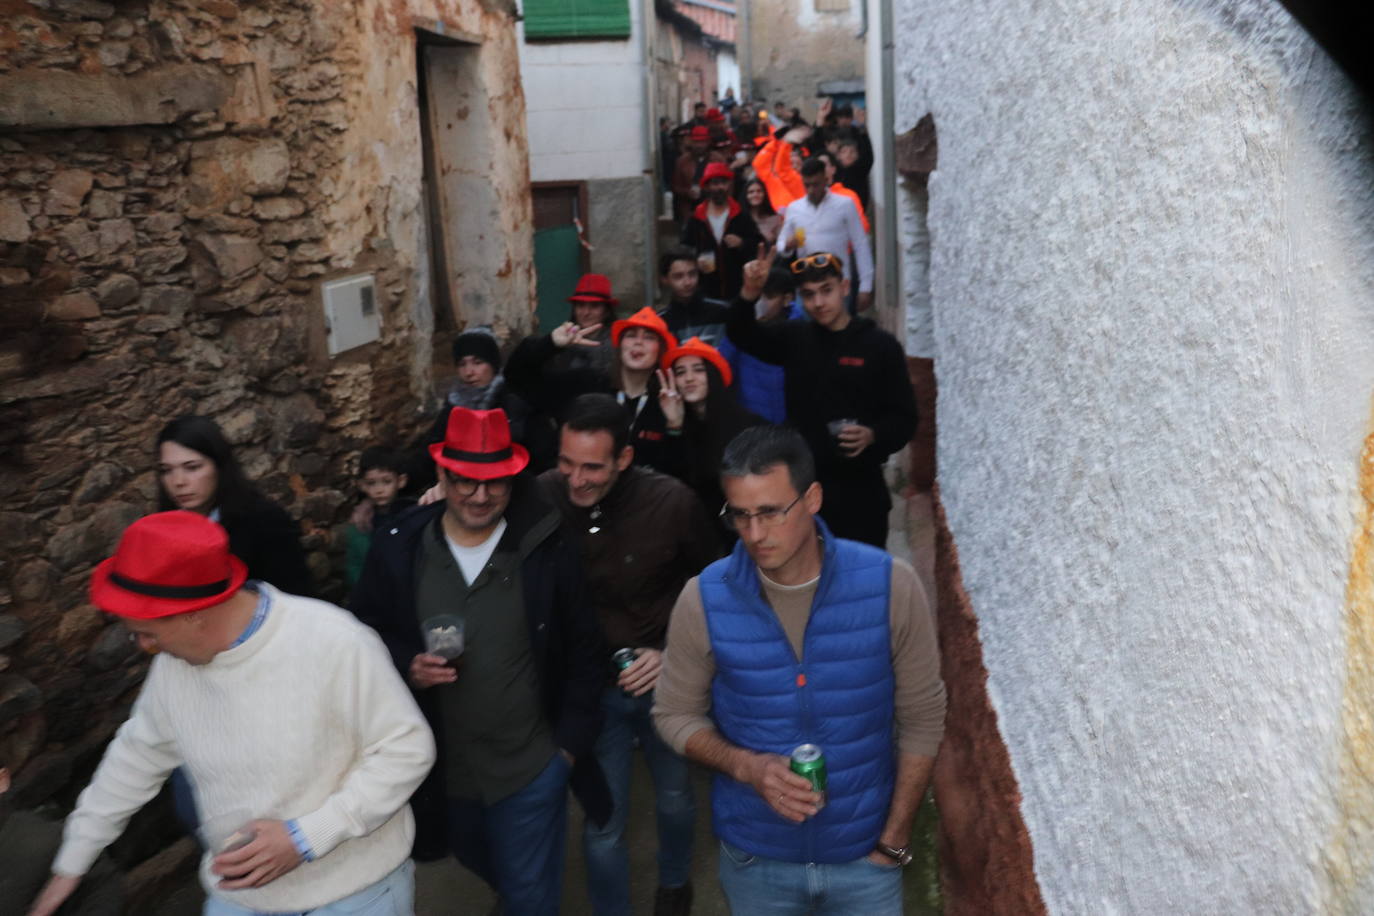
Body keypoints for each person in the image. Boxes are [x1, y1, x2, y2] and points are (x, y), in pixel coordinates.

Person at [27, 512, 436, 916]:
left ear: (195, 614)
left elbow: (407, 749)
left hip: (354, 897)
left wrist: (308, 836)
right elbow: (135, 758)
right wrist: (72, 863)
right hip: (239, 900)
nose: (141, 646)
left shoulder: (335, 642)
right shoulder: (173, 667)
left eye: (147, 634)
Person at [652, 426, 946, 916]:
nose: (755, 534)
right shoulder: (703, 598)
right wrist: (748, 767)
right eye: (739, 516)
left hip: (865, 863)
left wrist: (893, 840)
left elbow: (924, 718)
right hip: (754, 864)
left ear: (812, 498)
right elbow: (672, 714)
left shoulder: (890, 585)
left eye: (770, 512)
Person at [350, 407, 610, 915]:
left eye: (494, 483)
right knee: (470, 853)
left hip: (532, 765)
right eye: (464, 480)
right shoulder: (401, 546)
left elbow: (583, 648)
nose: (478, 495)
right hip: (445, 768)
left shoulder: (547, 546)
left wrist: (567, 752)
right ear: (442, 475)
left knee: (531, 894)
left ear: (513, 480)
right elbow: (363, 633)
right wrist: (408, 665)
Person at [536, 394, 719, 916]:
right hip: (592, 691)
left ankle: (675, 883)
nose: (576, 479)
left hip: (669, 685)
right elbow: (478, 513)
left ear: (624, 458)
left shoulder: (674, 504)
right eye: (566, 462)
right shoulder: (542, 495)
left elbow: (717, 589)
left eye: (592, 467)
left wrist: (669, 652)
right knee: (601, 821)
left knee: (676, 797)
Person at [727, 248, 916, 548]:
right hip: (803, 489)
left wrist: (873, 434)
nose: (818, 302)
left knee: (861, 582)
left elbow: (906, 419)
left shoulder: (879, 346)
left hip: (860, 491)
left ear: (844, 287)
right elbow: (740, 333)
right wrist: (749, 293)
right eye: (809, 294)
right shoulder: (795, 338)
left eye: (826, 291)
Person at [506, 306, 683, 474]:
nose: (638, 342)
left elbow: (679, 470)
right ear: (620, 346)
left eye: (649, 337)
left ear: (660, 349)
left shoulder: (667, 402)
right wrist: (550, 343)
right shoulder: (586, 385)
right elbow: (517, 378)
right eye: (631, 335)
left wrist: (675, 426)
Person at [156, 416, 314, 598]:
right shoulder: (162, 528)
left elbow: (295, 598)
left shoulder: (265, 522)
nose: (178, 482)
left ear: (219, 466)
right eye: (166, 470)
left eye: (192, 467)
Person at [659, 338, 764, 534]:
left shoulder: (749, 425)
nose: (689, 378)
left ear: (714, 374)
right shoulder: (674, 422)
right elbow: (674, 480)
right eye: (680, 372)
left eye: (698, 369)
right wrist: (674, 425)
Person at [425, 327, 556, 476]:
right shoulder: (454, 406)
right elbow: (431, 451)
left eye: (478, 362)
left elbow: (542, 456)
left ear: (493, 365)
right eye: (462, 364)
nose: (469, 372)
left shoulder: (516, 400)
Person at [777, 158, 874, 312]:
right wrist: (787, 245)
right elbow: (781, 244)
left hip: (840, 284)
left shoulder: (845, 204)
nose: (810, 190)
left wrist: (866, 286)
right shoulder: (794, 208)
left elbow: (860, 244)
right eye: (806, 185)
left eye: (815, 184)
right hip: (806, 284)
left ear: (825, 180)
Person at [680, 162, 761, 301]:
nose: (719, 188)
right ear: (707, 187)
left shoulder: (741, 215)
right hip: (706, 290)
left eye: (723, 183)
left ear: (729, 185)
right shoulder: (697, 217)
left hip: (738, 288)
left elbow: (758, 244)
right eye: (715, 183)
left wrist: (742, 243)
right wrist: (696, 260)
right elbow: (685, 247)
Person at [344, 447, 414, 589]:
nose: (379, 490)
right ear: (362, 485)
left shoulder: (412, 517)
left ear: (401, 481)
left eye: (387, 482)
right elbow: (354, 565)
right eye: (371, 483)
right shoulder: (359, 524)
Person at [656, 245, 732, 351]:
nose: (687, 282)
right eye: (678, 276)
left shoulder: (723, 311)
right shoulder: (659, 322)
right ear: (665, 279)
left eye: (692, 274)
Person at [552, 273, 618, 374]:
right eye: (581, 305)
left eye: (594, 306)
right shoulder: (562, 339)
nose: (586, 312)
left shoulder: (617, 343)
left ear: (607, 311)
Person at [743, 176, 782, 248]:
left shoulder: (775, 219)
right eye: (751, 192)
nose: (755, 194)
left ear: (765, 194)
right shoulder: (740, 218)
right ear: (745, 196)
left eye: (759, 191)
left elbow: (781, 244)